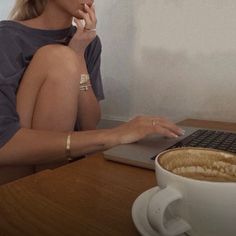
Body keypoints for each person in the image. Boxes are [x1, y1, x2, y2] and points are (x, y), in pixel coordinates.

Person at [0, 0, 184, 183]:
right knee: (58, 57)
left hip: (63, 169)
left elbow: (89, 123)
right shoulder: (7, 36)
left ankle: (52, 191)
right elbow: (3, 144)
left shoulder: (89, 41)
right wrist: (113, 135)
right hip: (15, 174)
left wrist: (78, 55)